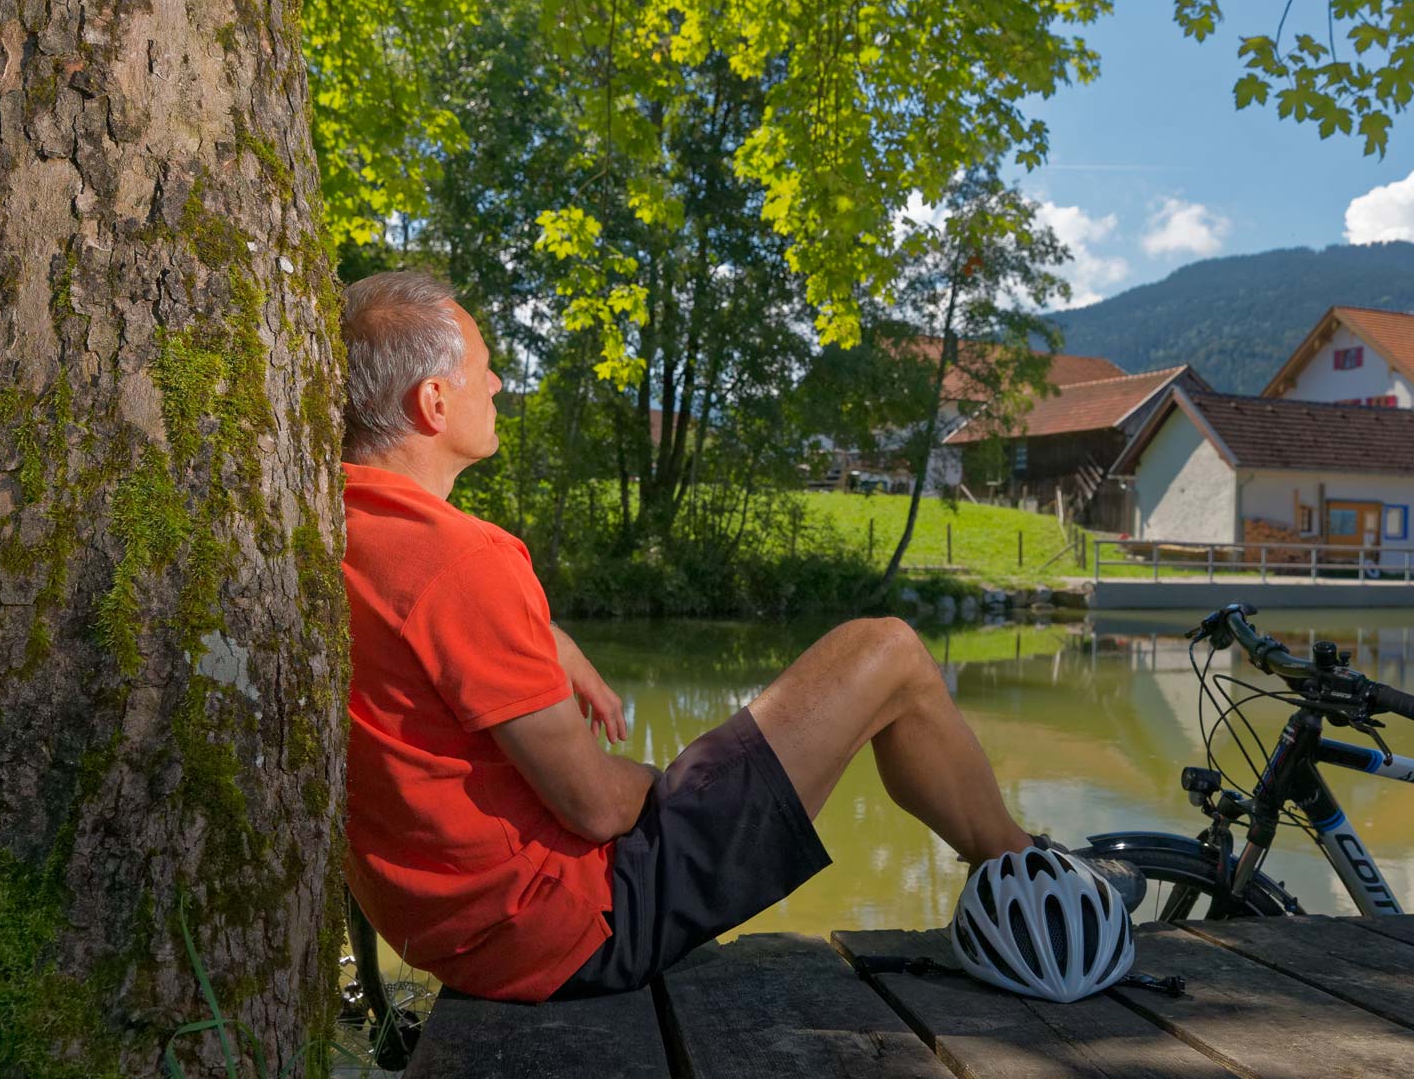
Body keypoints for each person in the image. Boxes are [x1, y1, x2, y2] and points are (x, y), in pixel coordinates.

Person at [338, 270, 1137, 1003]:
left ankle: (1019, 861)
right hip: (573, 928)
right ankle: (1033, 879)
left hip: (455, 931)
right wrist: (673, 787)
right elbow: (589, 804)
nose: (501, 383)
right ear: (434, 404)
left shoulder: (335, 530)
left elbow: (428, 638)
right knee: (886, 650)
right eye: (484, 367)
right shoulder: (464, 559)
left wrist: (553, 638)